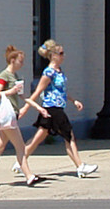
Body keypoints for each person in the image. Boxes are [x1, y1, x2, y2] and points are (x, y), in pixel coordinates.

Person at [20, 39, 97, 177]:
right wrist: (26, 107)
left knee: (39, 136)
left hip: (57, 107)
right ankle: (80, 166)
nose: (63, 56)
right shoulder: (48, 72)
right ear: (53, 55)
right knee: (69, 136)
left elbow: (61, 91)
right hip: (52, 108)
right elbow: (38, 92)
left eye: (63, 53)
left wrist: (74, 101)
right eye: (61, 53)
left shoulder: (59, 71)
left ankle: (21, 160)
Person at [0, 44, 34, 187]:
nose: (22, 64)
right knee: (20, 147)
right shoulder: (4, 75)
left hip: (11, 117)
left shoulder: (15, 76)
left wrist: (36, 107)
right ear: (12, 60)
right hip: (7, 119)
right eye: (20, 61)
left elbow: (22, 96)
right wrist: (11, 91)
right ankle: (29, 176)